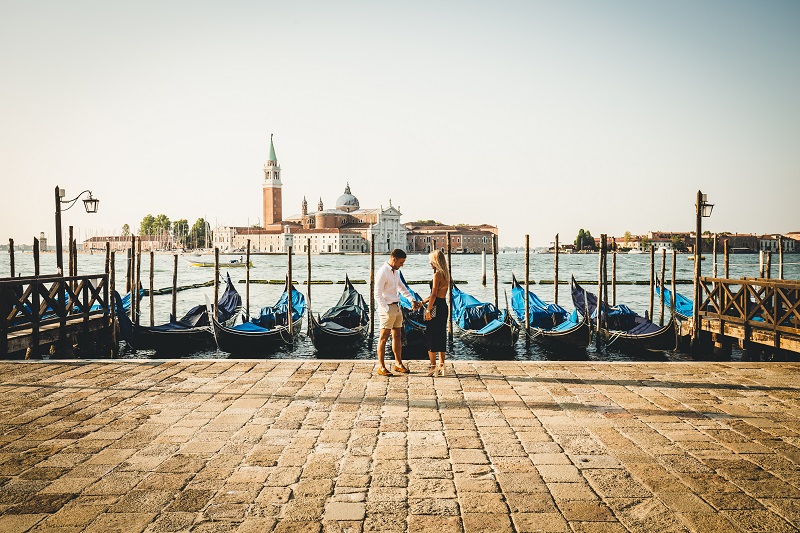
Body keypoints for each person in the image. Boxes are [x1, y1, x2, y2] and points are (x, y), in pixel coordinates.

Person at [375, 248, 419, 376]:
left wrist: (411, 299)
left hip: (397, 306)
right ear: (394, 259)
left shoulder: (396, 272)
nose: (402, 265)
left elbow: (402, 288)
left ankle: (398, 363)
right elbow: (377, 294)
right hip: (387, 308)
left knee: (398, 336)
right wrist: (386, 308)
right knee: (383, 337)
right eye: (401, 262)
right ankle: (381, 367)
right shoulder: (383, 272)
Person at [420, 250, 450, 376]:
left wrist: (428, 310)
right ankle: (442, 365)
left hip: (435, 307)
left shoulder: (437, 275)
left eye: (431, 260)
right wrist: (422, 302)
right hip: (443, 306)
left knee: (431, 335)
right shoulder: (446, 274)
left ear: (436, 261)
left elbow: (433, 295)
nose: (429, 263)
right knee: (442, 335)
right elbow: (437, 295)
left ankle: (433, 367)